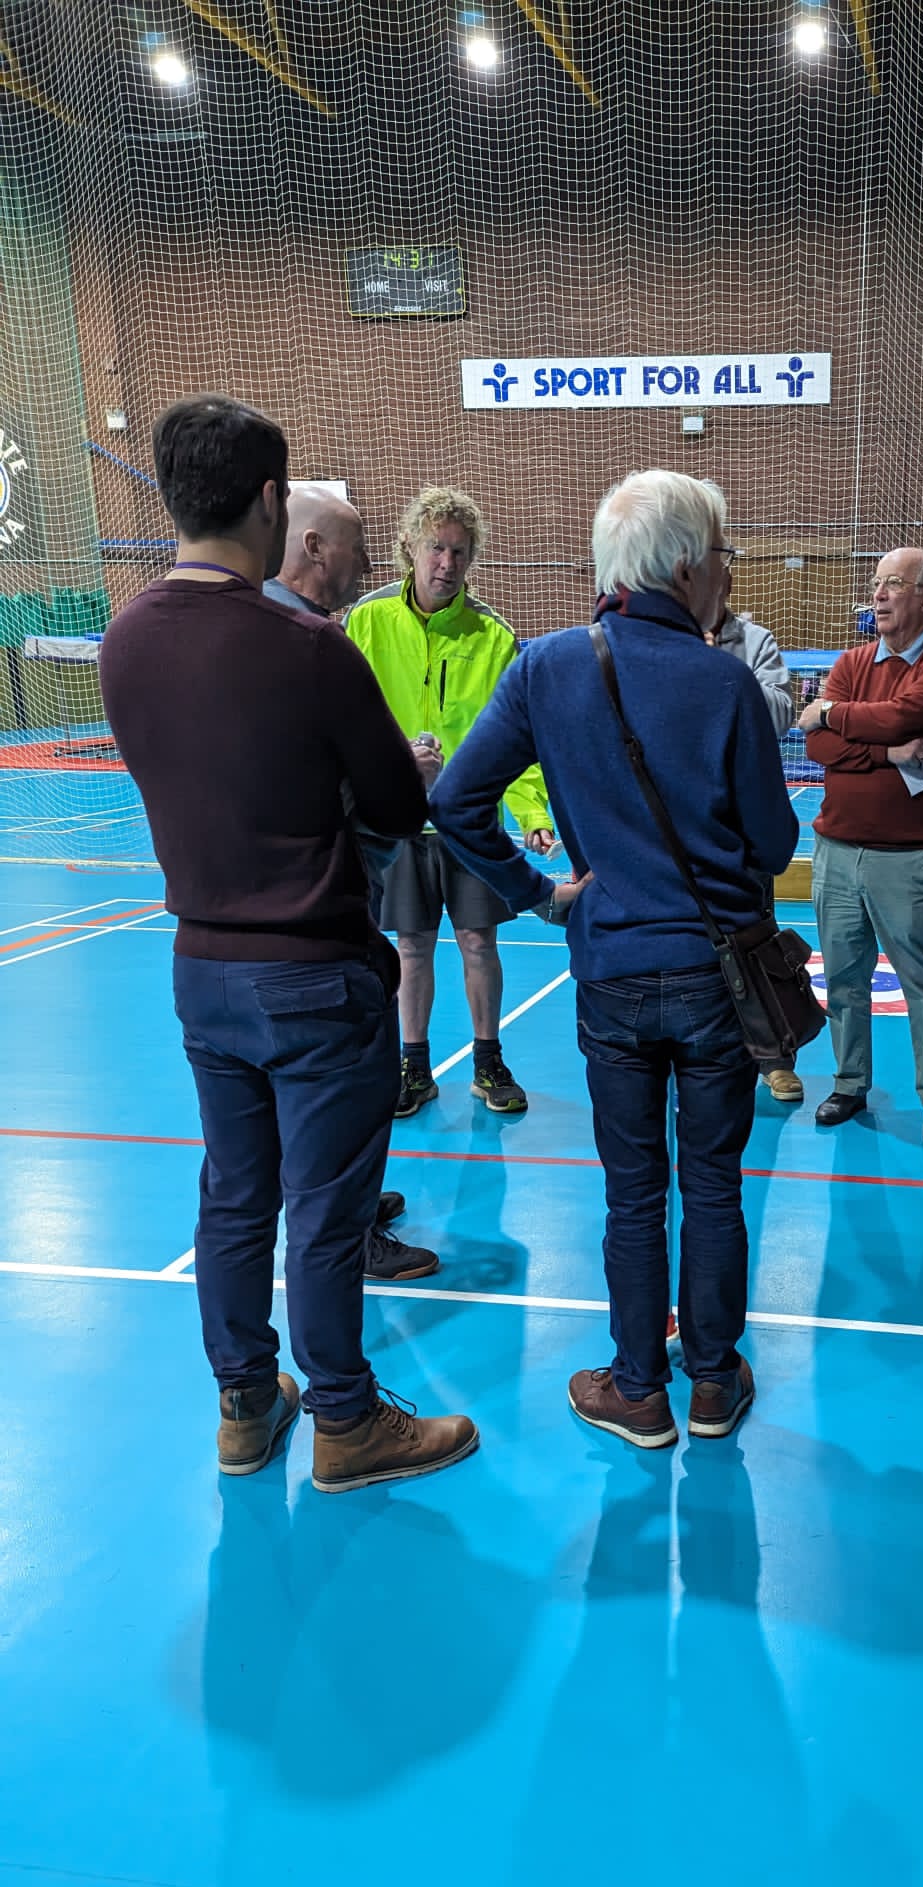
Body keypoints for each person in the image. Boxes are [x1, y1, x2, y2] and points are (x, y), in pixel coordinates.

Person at [99, 395, 478, 1492]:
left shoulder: (124, 642)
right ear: (271, 501)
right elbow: (395, 812)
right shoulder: (307, 647)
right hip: (312, 969)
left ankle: (245, 1405)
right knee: (322, 1210)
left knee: (232, 1193)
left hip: (200, 970)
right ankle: (349, 1423)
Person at [431, 470, 797, 1450]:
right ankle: (713, 1380)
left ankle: (638, 1387)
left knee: (634, 1190)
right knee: (713, 1184)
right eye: (722, 554)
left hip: (611, 976)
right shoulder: (725, 680)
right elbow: (771, 843)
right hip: (716, 978)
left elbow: (458, 803)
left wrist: (537, 895)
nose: (727, 572)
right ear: (685, 566)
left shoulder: (546, 667)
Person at [264, 487, 438, 1285]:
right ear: (311, 548)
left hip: (249, 932)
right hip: (324, 922)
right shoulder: (313, 647)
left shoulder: (246, 637)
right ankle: (350, 1241)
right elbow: (372, 808)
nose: (371, 566)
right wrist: (408, 778)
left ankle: (354, 1210)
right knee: (348, 1090)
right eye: (359, 548)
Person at [345, 487, 555, 1119]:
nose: (446, 562)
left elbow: (514, 738)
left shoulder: (494, 635)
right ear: (409, 546)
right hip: (397, 816)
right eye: (435, 547)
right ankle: (415, 1065)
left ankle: (488, 1061)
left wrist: (534, 813)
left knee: (477, 941)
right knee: (411, 945)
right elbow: (351, 718)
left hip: (470, 822)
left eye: (459, 552)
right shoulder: (368, 620)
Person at [797, 548, 923, 1147]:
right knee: (843, 979)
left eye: (893, 585)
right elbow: (818, 748)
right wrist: (888, 754)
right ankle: (850, 1085)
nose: (877, 595)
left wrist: (830, 713)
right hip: (836, 855)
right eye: (876, 584)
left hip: (908, 858)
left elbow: (906, 715)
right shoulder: (853, 661)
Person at [707, 602, 802, 1105]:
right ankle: (701, 1056)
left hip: (746, 825)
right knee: (692, 949)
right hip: (687, 825)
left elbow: (784, 715)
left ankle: (775, 1059)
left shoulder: (756, 640)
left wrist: (718, 675)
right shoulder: (664, 638)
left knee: (757, 938)